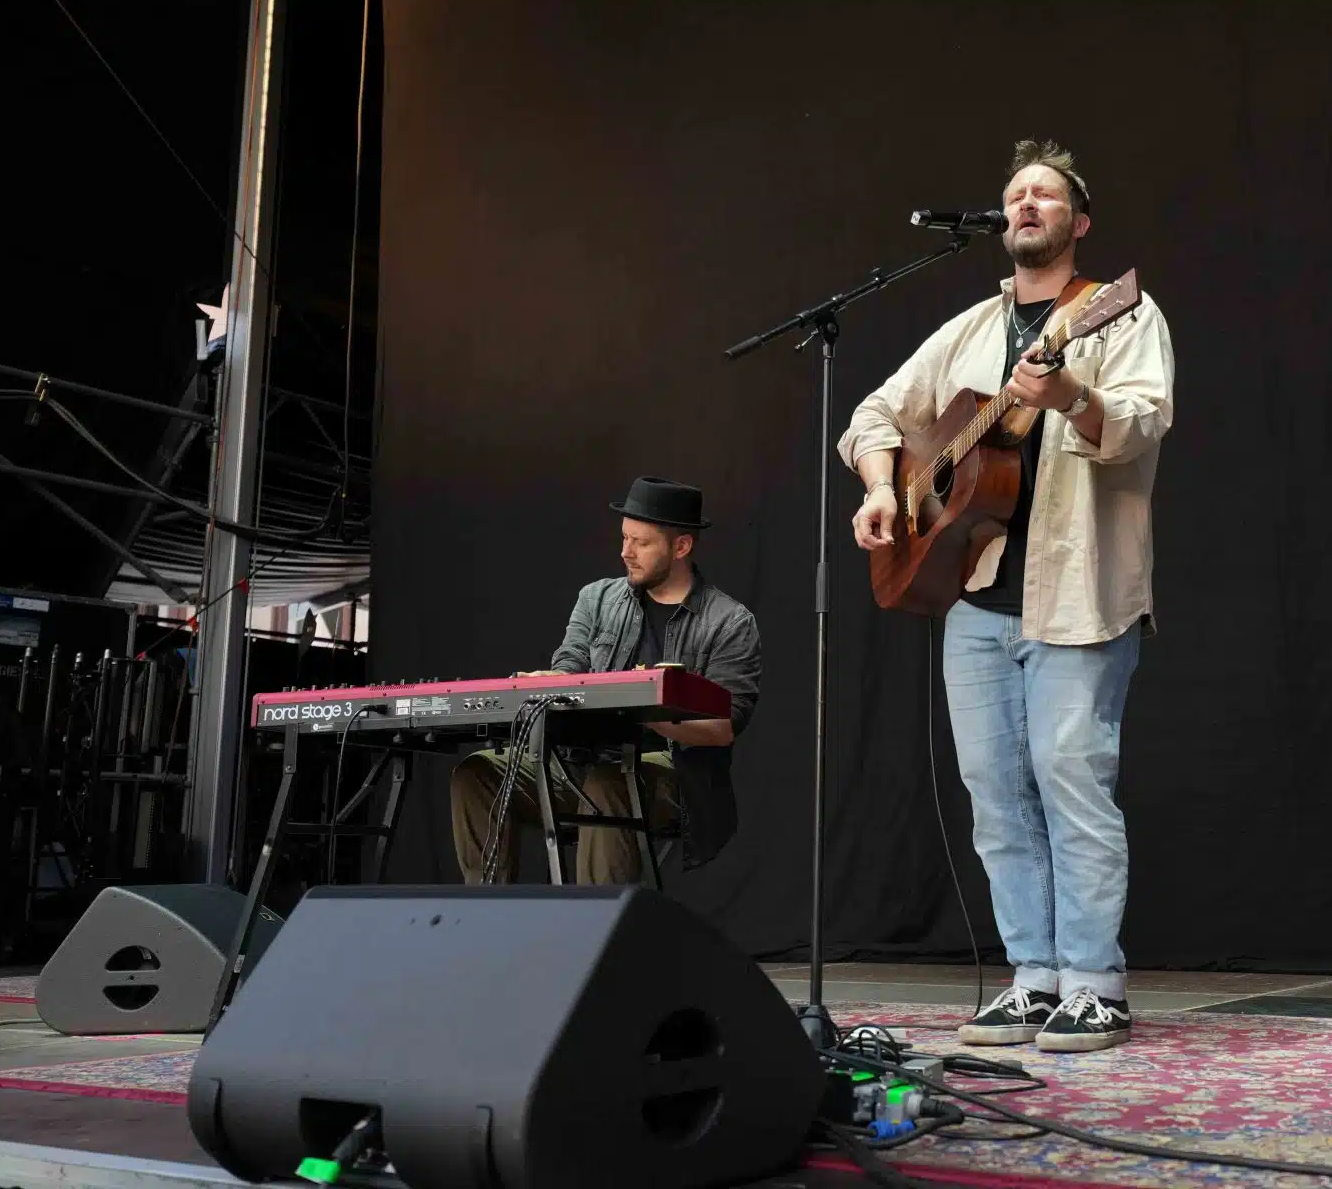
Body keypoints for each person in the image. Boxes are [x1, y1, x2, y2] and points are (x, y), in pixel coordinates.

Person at [837, 140, 1174, 1052]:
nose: (1026, 204)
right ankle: (1031, 978)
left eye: (1046, 195)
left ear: (1078, 222)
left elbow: (1142, 421)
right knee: (995, 792)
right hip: (978, 602)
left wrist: (1069, 395)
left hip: (1080, 595)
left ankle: (1093, 983)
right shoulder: (970, 331)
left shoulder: (1115, 315)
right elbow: (875, 414)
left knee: (1072, 780)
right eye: (1015, 194)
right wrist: (881, 488)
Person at [448, 477, 760, 884]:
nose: (625, 552)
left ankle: (591, 932)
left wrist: (639, 712)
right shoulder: (596, 599)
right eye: (624, 538)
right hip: (579, 764)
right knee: (478, 773)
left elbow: (722, 728)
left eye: (640, 542)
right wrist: (551, 682)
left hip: (674, 776)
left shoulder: (729, 622)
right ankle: (488, 924)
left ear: (681, 547)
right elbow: (570, 665)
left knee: (608, 783)